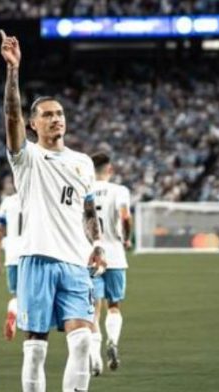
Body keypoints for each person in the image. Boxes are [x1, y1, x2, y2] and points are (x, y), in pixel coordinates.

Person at [0, 29, 107, 392]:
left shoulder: (83, 163)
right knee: (35, 350)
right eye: (47, 115)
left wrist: (98, 244)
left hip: (76, 262)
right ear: (34, 124)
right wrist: (14, 72)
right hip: (37, 259)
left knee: (81, 340)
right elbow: (11, 116)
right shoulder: (27, 157)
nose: (56, 119)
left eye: (59, 113)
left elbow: (88, 210)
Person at [88, 152, 132, 376]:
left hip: (91, 257)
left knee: (93, 311)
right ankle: (112, 342)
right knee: (113, 306)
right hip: (115, 255)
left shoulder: (83, 189)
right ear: (110, 169)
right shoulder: (120, 191)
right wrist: (127, 238)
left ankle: (94, 359)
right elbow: (125, 217)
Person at [0, 191, 22, 340]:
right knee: (32, 297)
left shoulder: (7, 202)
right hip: (32, 254)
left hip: (12, 255)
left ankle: (13, 313)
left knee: (16, 295)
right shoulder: (37, 197)